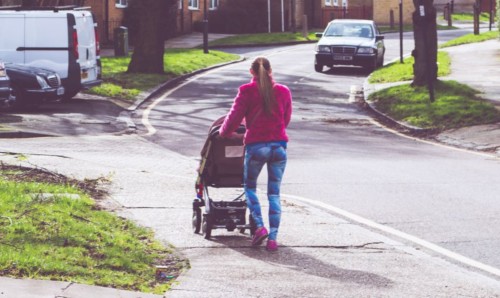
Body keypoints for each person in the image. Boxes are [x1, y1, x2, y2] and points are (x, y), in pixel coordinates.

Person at [219, 57, 292, 251]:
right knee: (274, 193)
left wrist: (224, 133)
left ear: (251, 72)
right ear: (270, 71)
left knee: (250, 188)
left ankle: (260, 227)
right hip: (279, 147)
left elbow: (234, 117)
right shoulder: (283, 91)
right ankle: (273, 239)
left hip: (257, 147)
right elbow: (286, 119)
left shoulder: (247, 91)